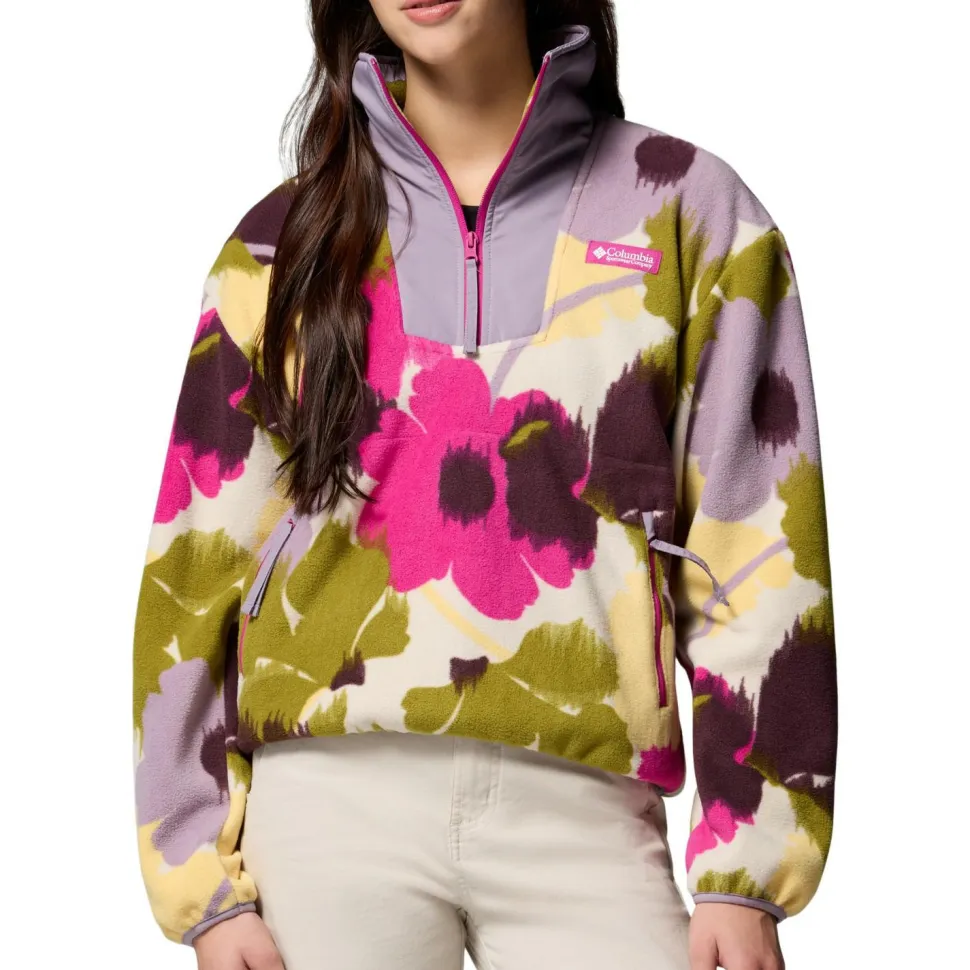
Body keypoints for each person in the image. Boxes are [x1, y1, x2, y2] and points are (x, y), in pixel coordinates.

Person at [131, 1, 838, 968]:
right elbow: (193, 565)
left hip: (586, 806)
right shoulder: (279, 244)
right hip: (327, 805)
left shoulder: (688, 211)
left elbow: (760, 542)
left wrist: (745, 869)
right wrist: (201, 887)